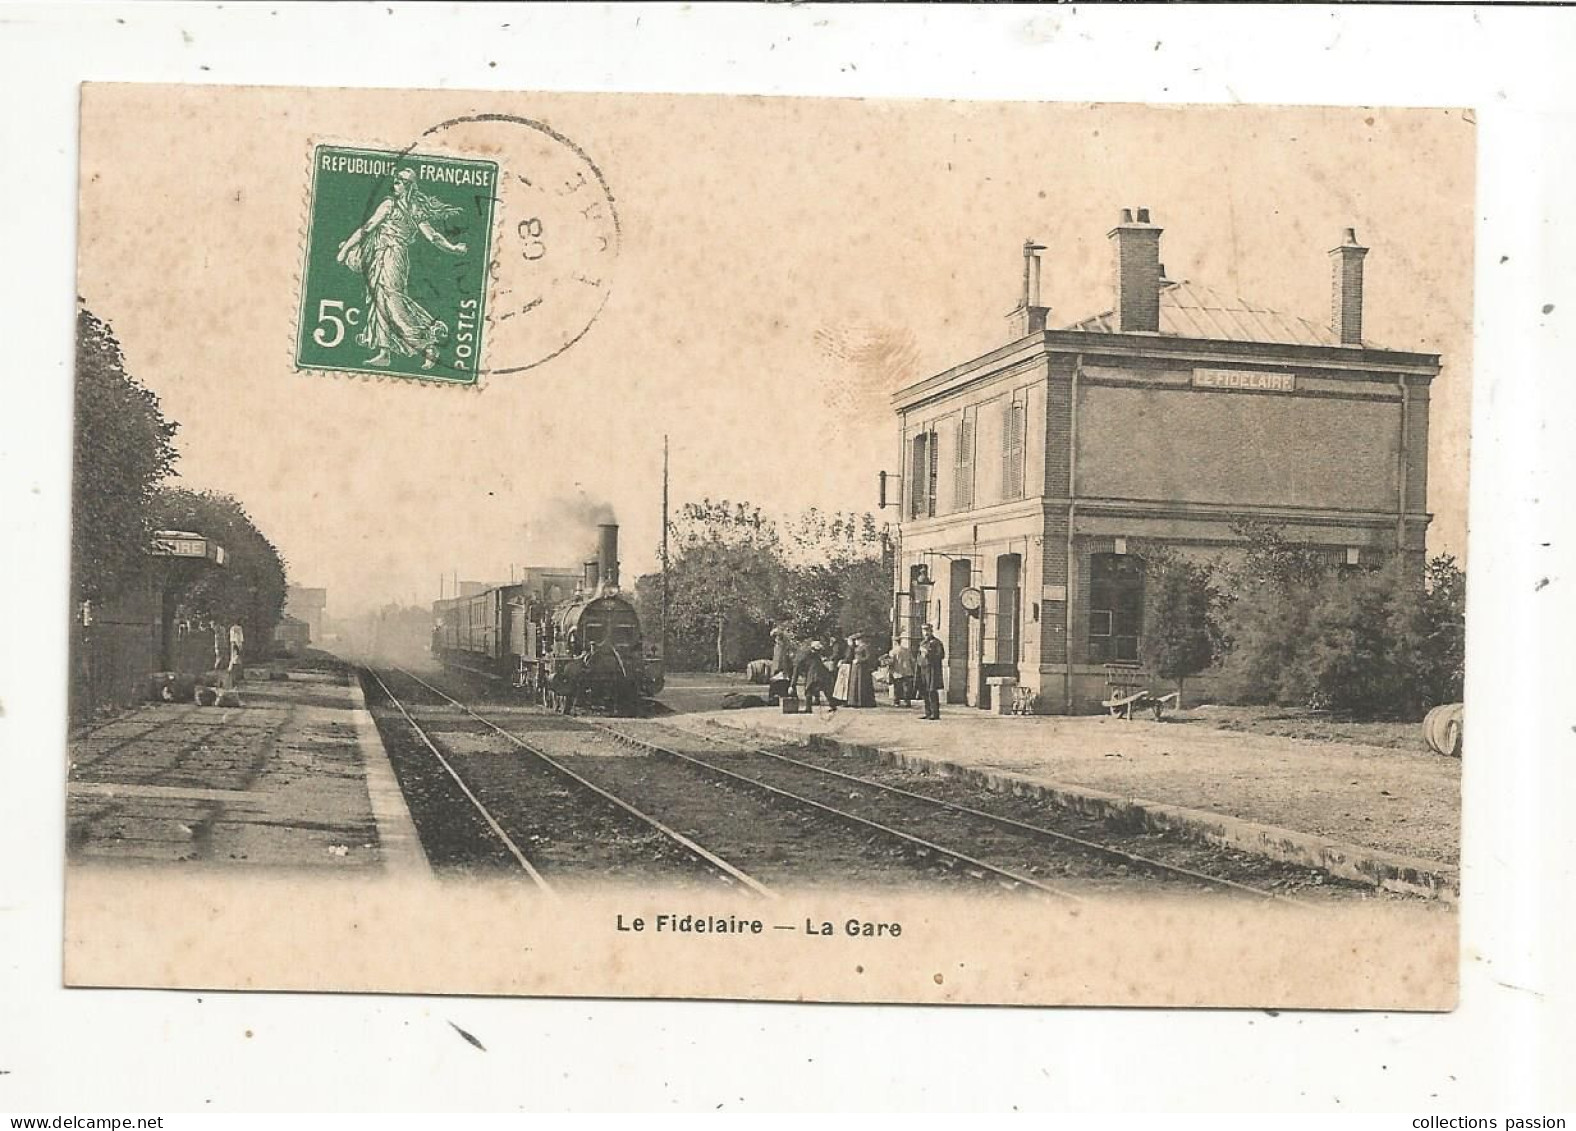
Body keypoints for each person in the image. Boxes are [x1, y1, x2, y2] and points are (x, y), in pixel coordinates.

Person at [336, 168, 469, 369]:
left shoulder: (412, 209)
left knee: (393, 302)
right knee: (378, 299)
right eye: (395, 181)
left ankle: (428, 346)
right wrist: (346, 249)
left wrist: (453, 248)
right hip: (379, 256)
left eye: (398, 182)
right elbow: (368, 227)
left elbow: (432, 236)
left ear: (408, 186)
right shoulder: (389, 204)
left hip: (394, 257)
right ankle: (384, 352)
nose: (394, 185)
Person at [794, 640, 837, 715]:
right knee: (826, 690)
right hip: (821, 674)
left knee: (808, 691)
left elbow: (799, 666)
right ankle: (832, 705)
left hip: (813, 675)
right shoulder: (816, 655)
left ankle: (808, 709)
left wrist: (793, 683)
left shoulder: (807, 655)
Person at [916, 624, 946, 720]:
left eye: (927, 631)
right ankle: (928, 712)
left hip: (932, 670)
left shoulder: (936, 643)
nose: (925, 633)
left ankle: (935, 713)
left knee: (932, 691)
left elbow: (941, 655)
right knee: (924, 691)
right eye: (924, 631)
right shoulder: (922, 643)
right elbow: (919, 657)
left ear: (931, 631)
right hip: (923, 669)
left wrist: (928, 654)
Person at [846, 634, 877, 708]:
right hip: (855, 668)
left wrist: (859, 660)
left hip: (862, 669)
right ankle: (854, 701)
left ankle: (863, 702)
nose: (855, 642)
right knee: (854, 684)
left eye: (856, 640)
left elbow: (868, 657)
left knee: (861, 684)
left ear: (860, 640)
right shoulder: (856, 647)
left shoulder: (865, 647)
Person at [887, 637, 916, 707]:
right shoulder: (907, 650)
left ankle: (896, 702)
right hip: (907, 671)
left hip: (898, 672)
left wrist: (889, 669)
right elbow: (912, 660)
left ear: (895, 642)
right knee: (906, 688)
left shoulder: (893, 652)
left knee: (897, 688)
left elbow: (891, 662)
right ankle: (907, 702)